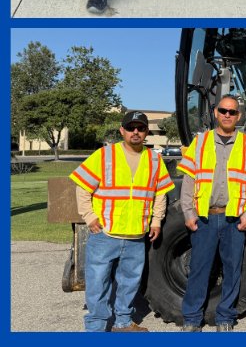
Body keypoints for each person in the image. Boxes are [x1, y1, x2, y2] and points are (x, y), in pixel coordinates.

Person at [69, 110, 174, 331]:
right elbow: (83, 187)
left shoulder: (155, 159)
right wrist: (89, 216)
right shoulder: (105, 155)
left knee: (129, 282)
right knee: (98, 283)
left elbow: (160, 193)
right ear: (122, 130)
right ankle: (96, 327)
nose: (135, 132)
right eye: (131, 127)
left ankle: (123, 322)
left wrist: (156, 221)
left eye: (141, 128)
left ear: (147, 132)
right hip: (105, 233)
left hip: (137, 234)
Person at [177, 95, 246, 331]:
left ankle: (225, 317)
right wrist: (188, 212)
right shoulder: (200, 142)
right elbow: (189, 181)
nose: (228, 115)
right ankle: (191, 319)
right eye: (224, 110)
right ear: (216, 113)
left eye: (232, 112)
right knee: (199, 269)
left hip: (233, 219)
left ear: (239, 116)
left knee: (232, 270)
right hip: (205, 218)